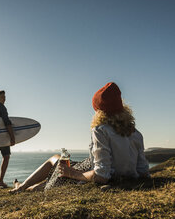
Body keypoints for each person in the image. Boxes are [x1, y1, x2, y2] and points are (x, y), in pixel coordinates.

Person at [10, 82, 149, 193]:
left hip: (85, 173)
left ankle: (21, 187)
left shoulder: (100, 131)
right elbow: (143, 172)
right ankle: (21, 186)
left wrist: (72, 173)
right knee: (49, 175)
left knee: (54, 161)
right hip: (90, 167)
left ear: (100, 111)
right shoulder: (136, 134)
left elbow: (102, 175)